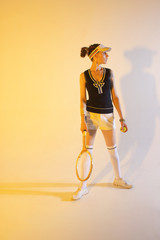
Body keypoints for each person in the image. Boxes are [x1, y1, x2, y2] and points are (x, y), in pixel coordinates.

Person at [72, 44, 132, 200]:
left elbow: (115, 97)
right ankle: (82, 186)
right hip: (91, 116)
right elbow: (82, 99)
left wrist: (121, 118)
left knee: (112, 150)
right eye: (105, 53)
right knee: (87, 151)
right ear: (96, 54)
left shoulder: (110, 73)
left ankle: (118, 179)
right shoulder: (84, 75)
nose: (107, 56)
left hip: (107, 116)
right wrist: (82, 120)